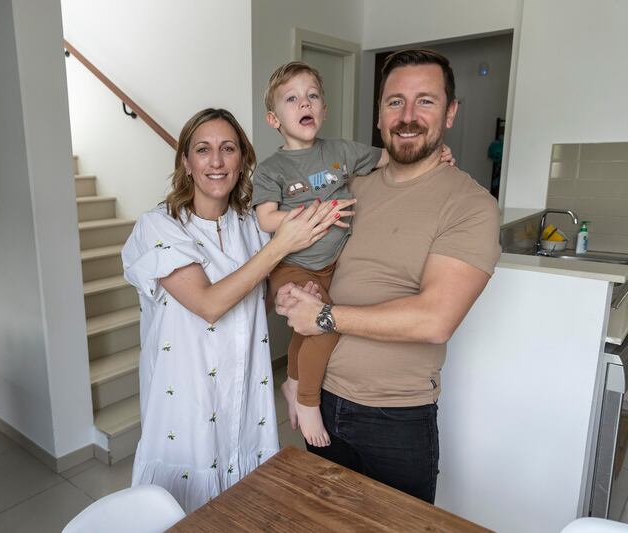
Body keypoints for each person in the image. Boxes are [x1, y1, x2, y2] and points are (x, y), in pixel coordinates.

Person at [275, 49, 501, 504]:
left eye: (426, 101)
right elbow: (302, 247)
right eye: (395, 102)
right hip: (322, 400)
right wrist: (289, 292)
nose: (408, 116)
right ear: (379, 115)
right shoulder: (350, 186)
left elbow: (434, 319)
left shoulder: (470, 204)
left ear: (451, 112)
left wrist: (323, 317)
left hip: (395, 418)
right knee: (323, 522)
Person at [121, 108, 352, 513]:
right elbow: (209, 305)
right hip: (186, 403)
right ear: (186, 163)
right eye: (203, 150)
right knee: (184, 512)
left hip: (245, 395)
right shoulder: (159, 226)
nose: (216, 161)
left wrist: (282, 297)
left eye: (228, 149)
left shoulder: (250, 223)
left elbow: (253, 298)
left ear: (243, 159)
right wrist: (282, 244)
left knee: (245, 510)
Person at [252, 61, 454, 448]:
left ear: (324, 109)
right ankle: (307, 400)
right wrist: (312, 215)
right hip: (294, 265)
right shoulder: (272, 168)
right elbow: (265, 220)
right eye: (292, 99)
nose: (304, 103)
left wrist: (436, 154)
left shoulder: (340, 151)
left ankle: (292, 383)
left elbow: (389, 158)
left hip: (331, 266)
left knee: (307, 326)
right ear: (274, 119)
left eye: (312, 96)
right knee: (324, 328)